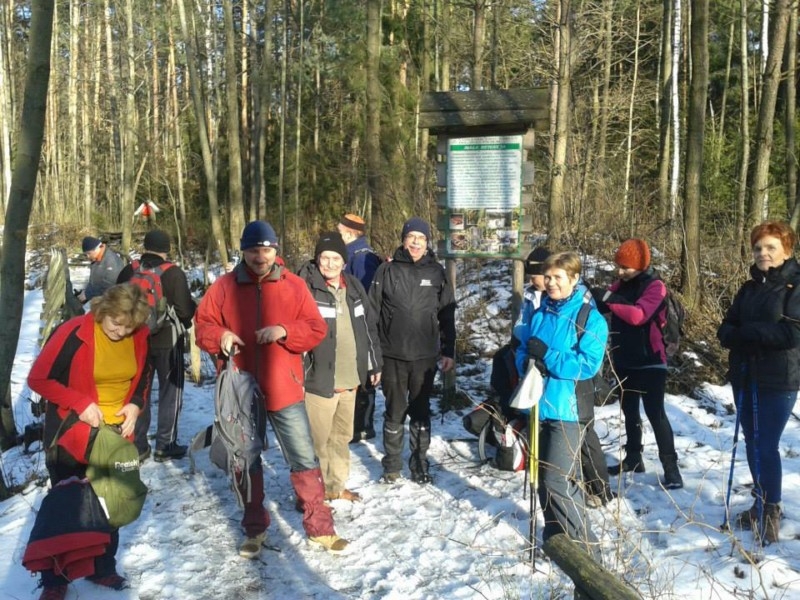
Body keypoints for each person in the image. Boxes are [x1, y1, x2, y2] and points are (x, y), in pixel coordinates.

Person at [194, 220, 349, 558]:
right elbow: (202, 325)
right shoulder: (224, 287)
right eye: (253, 250)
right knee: (246, 461)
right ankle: (255, 528)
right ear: (243, 251)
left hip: (284, 389)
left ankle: (320, 528)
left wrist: (284, 331)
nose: (260, 256)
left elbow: (315, 327)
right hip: (240, 392)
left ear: (275, 250)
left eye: (266, 250)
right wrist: (220, 336)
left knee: (304, 458)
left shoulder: (294, 285)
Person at [27, 284, 152, 600]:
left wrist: (136, 405)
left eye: (128, 327)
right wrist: (80, 404)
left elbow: (144, 376)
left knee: (111, 503)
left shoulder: (139, 335)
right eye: (116, 323)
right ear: (103, 310)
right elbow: (38, 379)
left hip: (115, 435)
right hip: (72, 434)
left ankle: (102, 568)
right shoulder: (74, 332)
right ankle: (55, 580)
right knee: (67, 507)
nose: (121, 332)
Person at [515, 251, 605, 561]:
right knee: (543, 480)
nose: (551, 283)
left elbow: (587, 365)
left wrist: (548, 356)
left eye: (558, 278)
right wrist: (526, 362)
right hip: (538, 406)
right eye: (548, 277)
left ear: (574, 279)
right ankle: (557, 543)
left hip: (568, 411)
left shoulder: (589, 318)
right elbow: (523, 348)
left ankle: (589, 554)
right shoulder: (540, 313)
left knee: (558, 481)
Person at [717, 221, 800, 543]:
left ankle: (771, 509)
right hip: (745, 374)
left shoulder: (794, 286)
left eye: (770, 247)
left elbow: (793, 333)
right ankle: (759, 502)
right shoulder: (748, 288)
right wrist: (733, 335)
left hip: (779, 378)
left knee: (766, 444)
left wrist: (749, 333)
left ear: (786, 251)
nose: (762, 253)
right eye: (757, 248)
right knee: (752, 441)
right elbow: (727, 326)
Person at [370, 217, 456, 484]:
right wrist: (373, 357)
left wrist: (449, 350)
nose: (416, 243)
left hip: (425, 357)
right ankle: (391, 465)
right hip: (392, 355)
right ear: (403, 240)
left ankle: (419, 463)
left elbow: (447, 314)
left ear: (427, 242)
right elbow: (372, 314)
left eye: (421, 238)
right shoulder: (386, 270)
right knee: (395, 411)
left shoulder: (437, 273)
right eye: (411, 237)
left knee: (420, 410)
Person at [591, 238, 683, 489]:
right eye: (618, 266)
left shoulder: (655, 287)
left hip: (651, 360)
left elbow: (638, 315)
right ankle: (633, 458)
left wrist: (608, 297)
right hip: (624, 358)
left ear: (641, 265)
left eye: (625, 267)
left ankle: (671, 469)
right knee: (629, 410)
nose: (620, 272)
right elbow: (605, 305)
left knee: (655, 413)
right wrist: (594, 295)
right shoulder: (621, 285)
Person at [297, 231, 382, 502]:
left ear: (344, 262)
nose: (330, 264)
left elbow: (368, 327)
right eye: (325, 258)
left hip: (350, 379)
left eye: (336, 258)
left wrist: (374, 364)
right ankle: (310, 494)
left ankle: (335, 487)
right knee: (316, 442)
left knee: (341, 437)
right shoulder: (306, 288)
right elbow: (295, 333)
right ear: (317, 259)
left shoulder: (354, 287)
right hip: (319, 380)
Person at [117, 230, 196, 462]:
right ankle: (165, 444)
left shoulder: (129, 270)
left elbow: (114, 303)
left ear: (145, 246)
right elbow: (184, 311)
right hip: (167, 341)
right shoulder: (173, 273)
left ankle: (139, 446)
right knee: (170, 392)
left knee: (138, 392)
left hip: (134, 341)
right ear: (167, 249)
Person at [337, 213, 383, 443]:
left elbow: (367, 296)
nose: (337, 233)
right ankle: (353, 424)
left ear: (350, 232)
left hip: (361, 325)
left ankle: (363, 426)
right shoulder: (351, 255)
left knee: (363, 374)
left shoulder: (362, 258)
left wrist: (364, 325)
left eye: (340, 230)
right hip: (350, 323)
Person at [77, 236, 125, 304]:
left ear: (97, 249)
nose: (88, 256)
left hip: (113, 302)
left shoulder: (111, 262)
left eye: (89, 253)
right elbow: (93, 281)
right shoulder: (96, 259)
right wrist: (86, 291)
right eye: (86, 254)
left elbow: (110, 287)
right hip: (100, 300)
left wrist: (88, 295)